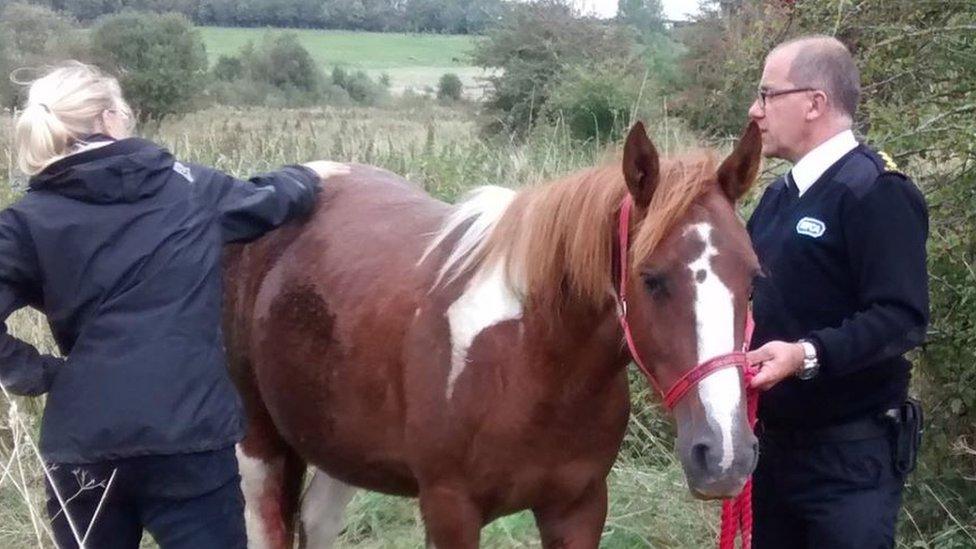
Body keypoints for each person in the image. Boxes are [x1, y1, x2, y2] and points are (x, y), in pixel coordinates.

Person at [0, 61, 329, 548]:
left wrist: (41, 375)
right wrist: (312, 175)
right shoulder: (189, 189)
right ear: (110, 119)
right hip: (189, 438)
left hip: (84, 445)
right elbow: (273, 200)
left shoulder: (25, 222)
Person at [744, 36, 928, 548]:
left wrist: (806, 355)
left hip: (850, 463)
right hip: (774, 453)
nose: (754, 110)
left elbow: (901, 317)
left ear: (814, 103)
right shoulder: (779, 197)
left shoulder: (876, 191)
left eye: (766, 94)